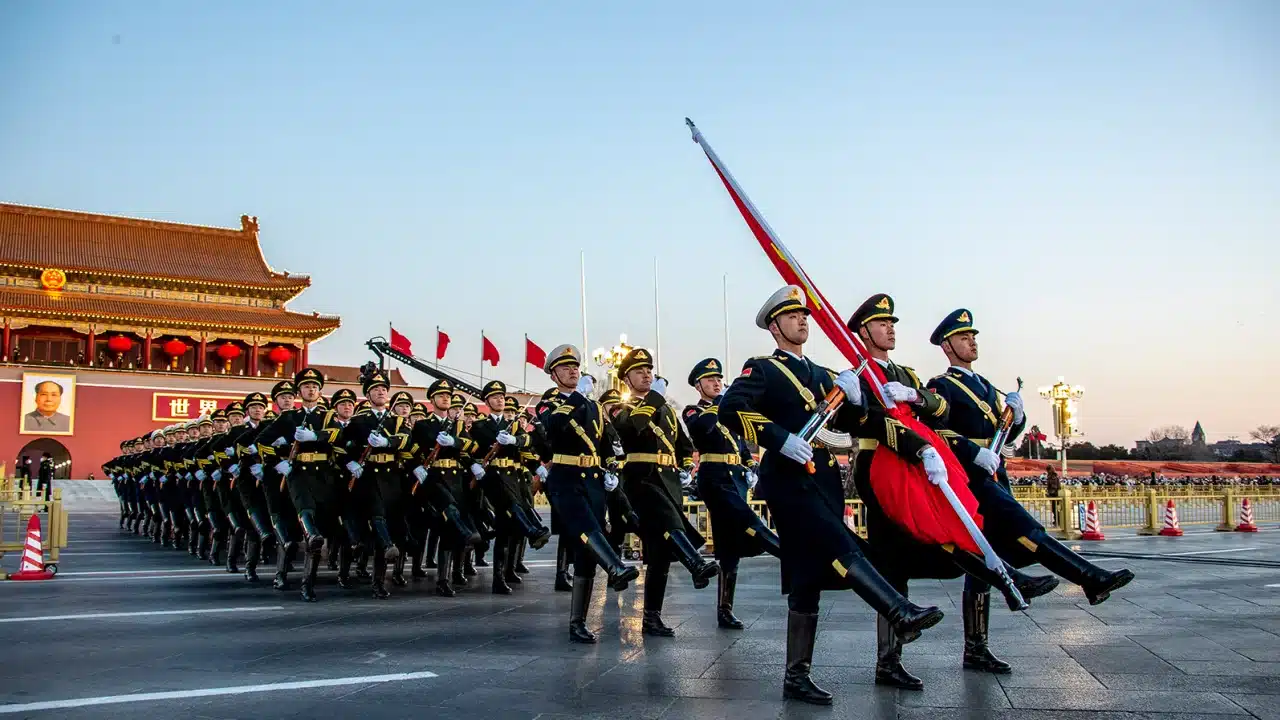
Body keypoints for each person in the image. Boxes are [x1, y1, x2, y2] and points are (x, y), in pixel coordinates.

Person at [718, 286, 944, 705]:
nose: (802, 321)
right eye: (792, 316)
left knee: (808, 575)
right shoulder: (763, 369)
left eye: (804, 315)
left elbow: (856, 422)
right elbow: (729, 410)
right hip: (787, 477)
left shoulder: (825, 375)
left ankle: (796, 676)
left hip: (822, 477)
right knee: (837, 540)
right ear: (774, 326)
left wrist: (856, 402)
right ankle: (899, 610)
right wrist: (780, 438)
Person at [925, 308, 1134, 676]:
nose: (972, 341)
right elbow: (937, 432)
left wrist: (1017, 420)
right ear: (947, 346)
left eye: (973, 336)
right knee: (1028, 531)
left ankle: (976, 649)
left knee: (984, 561)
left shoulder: (987, 386)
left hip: (993, 475)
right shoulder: (941, 386)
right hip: (969, 479)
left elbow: (1005, 434)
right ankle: (1089, 578)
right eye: (963, 337)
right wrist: (974, 452)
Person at [612, 347, 719, 637]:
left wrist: (685, 466)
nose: (646, 374)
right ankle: (695, 564)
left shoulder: (667, 410)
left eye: (649, 370)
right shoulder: (621, 407)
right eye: (638, 371)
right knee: (668, 520)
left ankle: (651, 618)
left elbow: (684, 445)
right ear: (626, 379)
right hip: (640, 480)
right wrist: (654, 398)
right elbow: (632, 427)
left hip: (668, 481)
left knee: (658, 555)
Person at [538, 344, 640, 643]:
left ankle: (577, 622)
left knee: (584, 553)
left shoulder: (594, 406)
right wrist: (577, 401)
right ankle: (616, 566)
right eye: (566, 367)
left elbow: (607, 441)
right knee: (585, 527)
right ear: (554, 374)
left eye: (575, 367)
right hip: (565, 477)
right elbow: (551, 428)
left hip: (593, 479)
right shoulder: (550, 403)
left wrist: (610, 468)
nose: (573, 371)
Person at [684, 357, 784, 630]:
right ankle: (784, 551)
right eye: (709, 380)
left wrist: (751, 466)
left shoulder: (727, 412)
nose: (716, 383)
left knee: (728, 547)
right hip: (713, 477)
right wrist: (721, 405)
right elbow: (700, 430)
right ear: (698, 385)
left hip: (736, 477)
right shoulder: (694, 411)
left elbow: (740, 445)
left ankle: (725, 609)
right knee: (746, 516)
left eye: (718, 379)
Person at [469, 380, 552, 594]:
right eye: (495, 397)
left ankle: (501, 576)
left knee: (506, 529)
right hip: (493, 477)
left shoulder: (513, 426)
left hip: (513, 477)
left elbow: (525, 446)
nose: (500, 400)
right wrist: (474, 464)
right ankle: (533, 532)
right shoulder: (480, 426)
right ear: (487, 401)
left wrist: (536, 467)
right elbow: (473, 448)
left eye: (502, 397)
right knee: (511, 505)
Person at [341, 370, 409, 599]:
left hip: (392, 478)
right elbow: (342, 446)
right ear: (368, 395)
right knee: (377, 516)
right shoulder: (359, 421)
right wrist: (350, 463)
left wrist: (388, 441)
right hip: (368, 476)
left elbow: (406, 440)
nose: (381, 392)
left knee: (389, 523)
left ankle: (379, 580)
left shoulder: (397, 420)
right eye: (376, 390)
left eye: (384, 389)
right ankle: (381, 553)